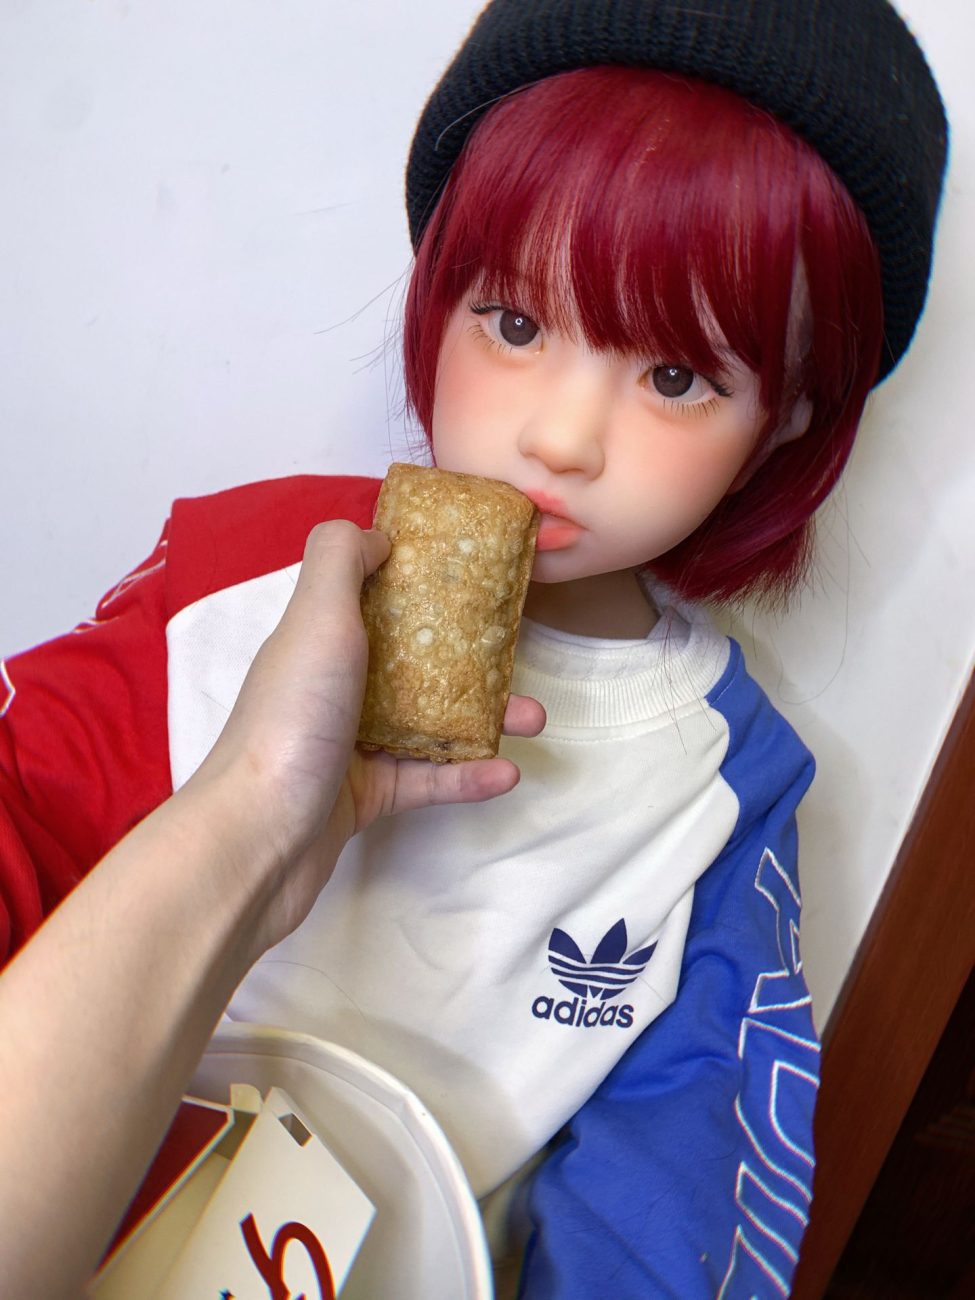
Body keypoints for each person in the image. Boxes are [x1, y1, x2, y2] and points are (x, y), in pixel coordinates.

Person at [0, 1, 948, 1297]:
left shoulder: (725, 786)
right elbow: (31, 807)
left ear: (784, 416)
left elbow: (669, 1188)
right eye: (513, 323)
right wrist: (248, 805)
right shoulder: (241, 574)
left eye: (676, 378)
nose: (559, 437)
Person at [0, 521, 545, 1299]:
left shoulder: (719, 770)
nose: (565, 455)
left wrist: (260, 816)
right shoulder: (236, 578)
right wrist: (256, 801)